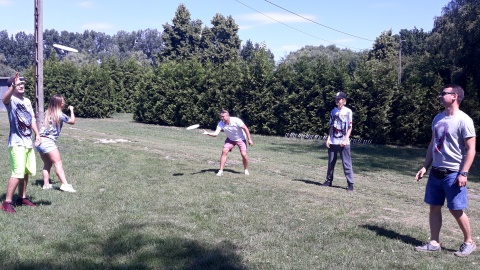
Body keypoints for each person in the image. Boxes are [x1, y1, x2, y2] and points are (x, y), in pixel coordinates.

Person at [415, 84, 476, 257]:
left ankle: (469, 242)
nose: (439, 96)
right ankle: (434, 242)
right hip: (436, 171)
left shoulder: (464, 120)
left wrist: (464, 172)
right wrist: (425, 166)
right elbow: (432, 144)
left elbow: (471, 149)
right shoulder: (438, 118)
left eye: (443, 94)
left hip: (454, 173)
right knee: (434, 207)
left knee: (456, 209)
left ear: (455, 96)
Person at [1, 73, 41, 213]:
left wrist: (37, 134)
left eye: (22, 84)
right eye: (19, 84)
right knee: (17, 172)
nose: (22, 85)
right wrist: (12, 86)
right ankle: (7, 202)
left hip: (27, 142)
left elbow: (32, 120)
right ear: (12, 86)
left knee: (25, 172)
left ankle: (22, 198)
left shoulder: (27, 101)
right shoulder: (10, 100)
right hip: (16, 142)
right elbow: (4, 99)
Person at [36, 94, 76, 193]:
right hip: (48, 142)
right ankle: (65, 185)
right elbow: (72, 121)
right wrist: (71, 110)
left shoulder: (47, 112)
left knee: (47, 163)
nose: (64, 102)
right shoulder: (59, 114)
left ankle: (46, 184)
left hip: (39, 141)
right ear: (58, 103)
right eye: (62, 101)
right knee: (58, 163)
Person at [203, 110, 253, 176]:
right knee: (224, 151)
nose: (222, 118)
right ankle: (220, 171)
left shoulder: (236, 120)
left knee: (243, 154)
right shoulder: (221, 123)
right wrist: (208, 133)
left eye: (223, 116)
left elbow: (245, 128)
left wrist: (249, 139)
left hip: (241, 139)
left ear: (228, 116)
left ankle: (246, 169)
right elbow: (215, 134)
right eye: (221, 116)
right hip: (230, 139)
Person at [322, 91, 354, 191]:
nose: (337, 100)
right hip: (333, 141)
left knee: (346, 163)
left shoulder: (348, 112)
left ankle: (350, 183)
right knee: (331, 162)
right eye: (336, 99)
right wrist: (328, 139)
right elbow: (331, 127)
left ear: (344, 100)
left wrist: (345, 140)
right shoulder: (333, 111)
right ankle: (328, 180)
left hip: (343, 142)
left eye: (339, 99)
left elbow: (350, 127)